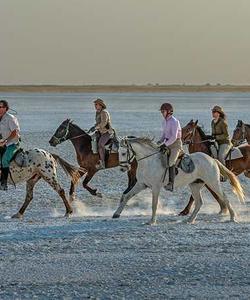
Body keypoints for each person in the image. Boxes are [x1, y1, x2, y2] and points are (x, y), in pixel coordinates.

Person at [158, 102, 182, 191]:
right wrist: (159, 141)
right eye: (161, 112)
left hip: (175, 145)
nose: (162, 113)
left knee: (171, 162)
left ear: (168, 112)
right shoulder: (164, 121)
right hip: (167, 143)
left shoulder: (175, 121)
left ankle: (171, 183)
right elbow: (164, 134)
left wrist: (165, 144)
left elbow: (174, 137)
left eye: (163, 111)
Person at [0, 100, 20, 190]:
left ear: (6, 108)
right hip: (1, 142)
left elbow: (14, 133)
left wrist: (6, 141)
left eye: (1, 107)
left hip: (12, 143)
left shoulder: (10, 118)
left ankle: (4, 183)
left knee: (4, 160)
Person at [90, 98, 114, 170]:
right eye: (95, 104)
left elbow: (104, 123)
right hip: (100, 132)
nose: (95, 106)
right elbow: (98, 122)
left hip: (107, 132)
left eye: (96, 104)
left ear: (101, 105)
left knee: (100, 145)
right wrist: (93, 127)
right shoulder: (98, 112)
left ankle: (102, 163)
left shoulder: (104, 112)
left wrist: (96, 127)